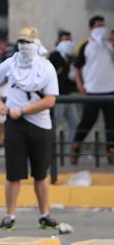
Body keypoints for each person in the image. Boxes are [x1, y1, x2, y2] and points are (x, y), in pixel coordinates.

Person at [0, 27, 60, 230]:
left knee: (41, 172)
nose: (24, 46)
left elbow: (50, 99)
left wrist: (24, 109)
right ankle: (10, 214)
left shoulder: (46, 68)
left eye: (28, 42)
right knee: (13, 173)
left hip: (39, 123)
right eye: (21, 42)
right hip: (14, 123)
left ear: (36, 44)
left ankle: (44, 213)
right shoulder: (10, 64)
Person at [71, 15, 114, 163]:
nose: (101, 29)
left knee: (111, 123)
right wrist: (80, 84)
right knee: (87, 121)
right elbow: (76, 67)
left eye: (103, 26)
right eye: (98, 26)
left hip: (110, 90)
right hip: (92, 90)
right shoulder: (85, 45)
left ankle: (111, 151)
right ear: (91, 28)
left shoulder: (110, 45)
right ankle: (75, 146)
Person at [47, 30, 80, 148]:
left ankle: (67, 148)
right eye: (65, 40)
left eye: (69, 40)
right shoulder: (54, 55)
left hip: (68, 95)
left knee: (74, 122)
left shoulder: (72, 57)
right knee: (55, 122)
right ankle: (50, 149)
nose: (68, 43)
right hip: (58, 96)